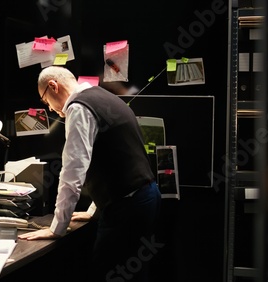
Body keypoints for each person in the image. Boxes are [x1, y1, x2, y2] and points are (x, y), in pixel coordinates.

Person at [18, 66, 161, 281]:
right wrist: (95, 210)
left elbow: (73, 171)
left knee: (106, 272)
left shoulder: (79, 108)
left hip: (127, 207)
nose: (49, 109)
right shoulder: (103, 96)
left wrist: (57, 227)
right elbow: (110, 158)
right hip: (144, 197)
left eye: (46, 101)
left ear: (53, 86)